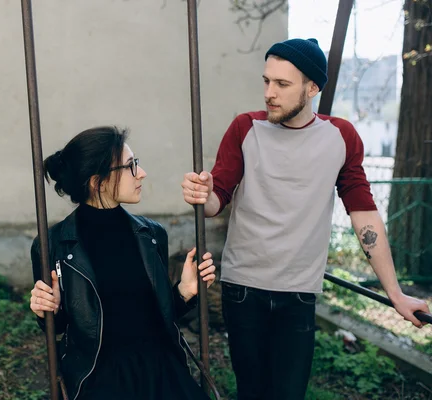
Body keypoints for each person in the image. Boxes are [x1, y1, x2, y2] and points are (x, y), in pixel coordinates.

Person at [181, 38, 431, 400]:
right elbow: (217, 198)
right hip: (242, 289)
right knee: (251, 391)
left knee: (288, 394)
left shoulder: (341, 137)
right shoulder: (245, 128)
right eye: (267, 81)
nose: (269, 93)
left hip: (298, 293)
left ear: (312, 87)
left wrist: (395, 293)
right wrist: (200, 193)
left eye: (282, 84)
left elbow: (364, 216)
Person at [29, 126, 216, 400]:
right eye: (130, 166)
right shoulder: (54, 244)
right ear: (98, 182)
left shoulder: (150, 235)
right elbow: (57, 328)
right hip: (99, 375)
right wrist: (48, 308)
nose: (141, 173)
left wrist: (184, 291)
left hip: (160, 369)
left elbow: (155, 318)